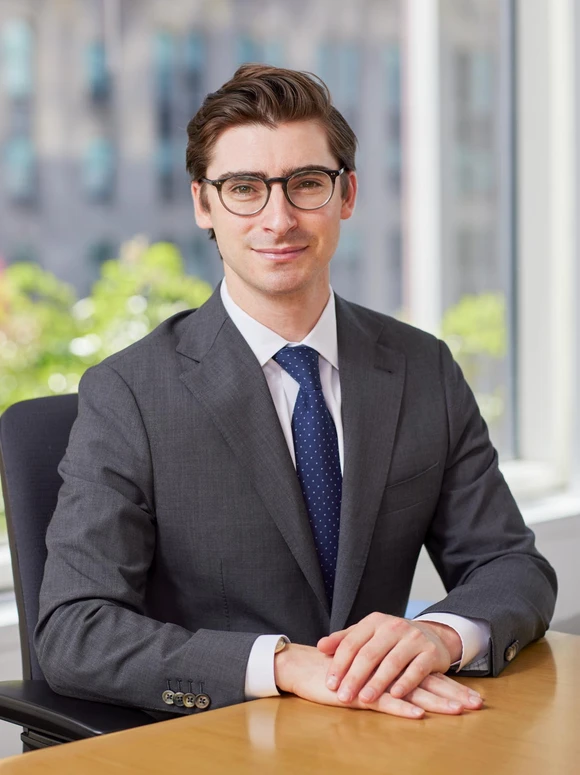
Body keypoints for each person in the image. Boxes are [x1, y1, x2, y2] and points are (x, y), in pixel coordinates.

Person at [35, 64, 557, 721]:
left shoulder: (422, 368)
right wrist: (279, 662)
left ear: (347, 194)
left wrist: (440, 633)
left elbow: (513, 566)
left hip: (386, 736)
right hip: (216, 740)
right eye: (245, 189)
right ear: (204, 203)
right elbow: (73, 630)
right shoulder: (130, 393)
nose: (278, 218)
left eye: (306, 184)